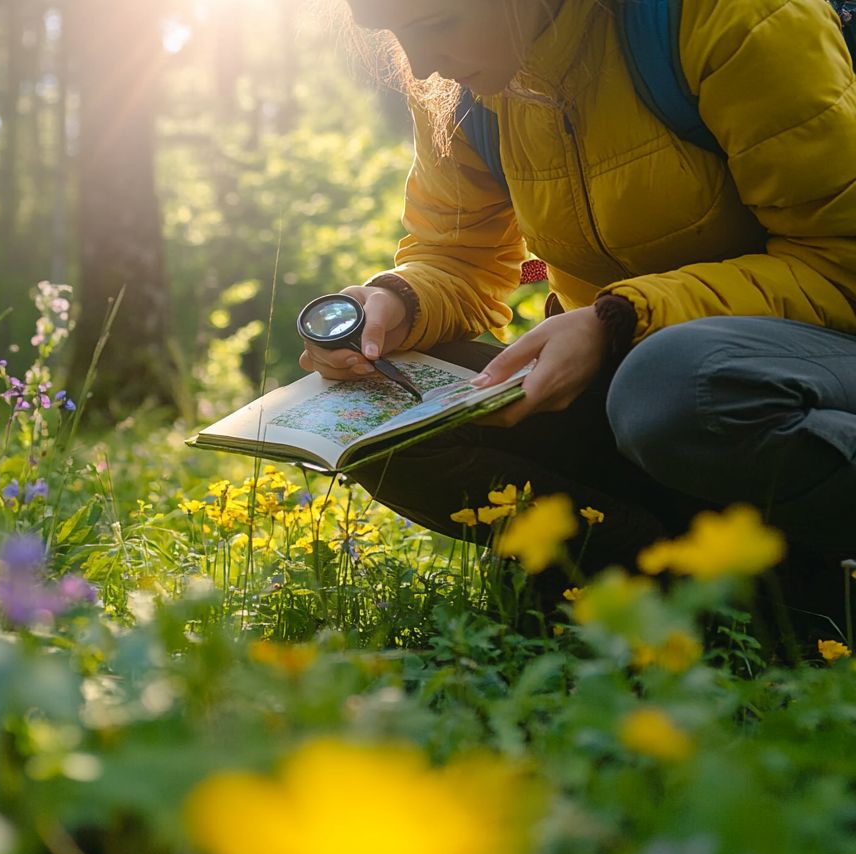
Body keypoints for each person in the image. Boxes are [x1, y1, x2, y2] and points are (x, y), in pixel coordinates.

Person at [300, 0, 856, 631]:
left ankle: (810, 599)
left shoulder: (727, 17)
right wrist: (399, 300)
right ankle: (672, 588)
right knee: (376, 413)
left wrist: (618, 320)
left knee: (675, 383)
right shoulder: (467, 84)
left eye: (437, 26)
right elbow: (457, 257)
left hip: (796, 367)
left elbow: (839, 261)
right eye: (397, 38)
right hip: (638, 391)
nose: (422, 66)